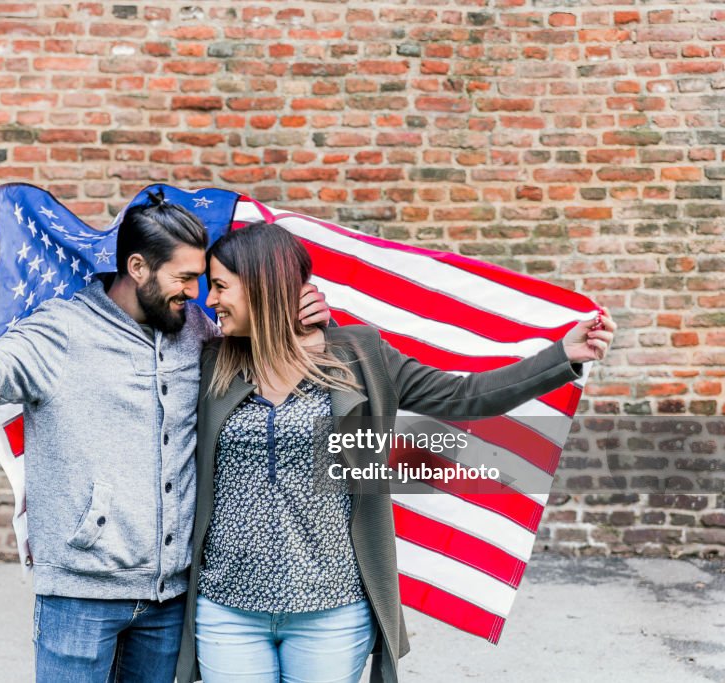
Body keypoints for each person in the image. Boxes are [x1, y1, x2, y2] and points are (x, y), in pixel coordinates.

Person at [175, 221, 617, 683]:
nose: (209, 300)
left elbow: (464, 397)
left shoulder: (358, 356)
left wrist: (562, 355)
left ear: (264, 287)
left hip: (331, 611)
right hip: (227, 608)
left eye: (221, 286)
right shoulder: (211, 362)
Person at [0, 191, 331, 683]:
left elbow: (266, 362)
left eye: (199, 278)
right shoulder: (60, 331)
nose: (195, 291)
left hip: (171, 599)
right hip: (80, 593)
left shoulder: (197, 332)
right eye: (183, 278)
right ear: (138, 267)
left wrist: (303, 323)